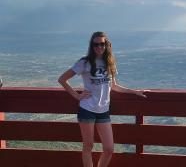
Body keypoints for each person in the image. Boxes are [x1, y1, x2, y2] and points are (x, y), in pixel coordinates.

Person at [58, 31, 148, 167]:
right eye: (96, 44)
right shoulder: (85, 62)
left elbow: (114, 86)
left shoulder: (109, 62)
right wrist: (77, 96)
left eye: (102, 44)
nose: (99, 47)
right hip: (87, 109)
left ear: (107, 45)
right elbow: (62, 79)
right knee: (88, 146)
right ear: (91, 46)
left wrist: (135, 92)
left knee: (109, 148)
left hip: (103, 111)